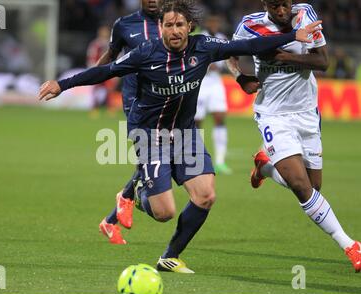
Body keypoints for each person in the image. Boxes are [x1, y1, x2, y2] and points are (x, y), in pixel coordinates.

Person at [39, 0, 321, 273]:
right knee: (164, 213)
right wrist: (62, 85)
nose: (175, 30)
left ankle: (170, 257)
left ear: (190, 27)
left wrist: (293, 36)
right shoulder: (145, 53)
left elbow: (247, 45)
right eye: (169, 25)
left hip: (186, 135)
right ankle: (139, 194)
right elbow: (106, 71)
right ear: (160, 27)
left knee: (206, 195)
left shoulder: (204, 48)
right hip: (151, 137)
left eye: (180, 25)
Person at [228, 0, 361, 272]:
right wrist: (240, 77)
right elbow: (229, 53)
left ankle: (264, 167)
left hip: (307, 113)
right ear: (265, 3)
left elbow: (322, 61)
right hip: (273, 115)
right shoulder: (250, 25)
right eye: (275, 5)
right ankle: (350, 245)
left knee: (314, 187)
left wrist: (284, 57)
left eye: (285, 4)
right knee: (302, 188)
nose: (281, 11)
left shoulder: (305, 15)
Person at [95, 0, 163, 245]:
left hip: (167, 100)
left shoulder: (173, 23)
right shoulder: (124, 25)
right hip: (136, 101)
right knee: (151, 158)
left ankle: (113, 217)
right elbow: (112, 55)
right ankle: (126, 199)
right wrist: (92, 76)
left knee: (162, 159)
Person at [195, 13, 232, 175]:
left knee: (219, 118)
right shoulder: (199, 38)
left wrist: (221, 66)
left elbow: (227, 58)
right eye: (212, 21)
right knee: (197, 121)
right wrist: (207, 65)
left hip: (216, 83)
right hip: (201, 84)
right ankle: (197, 158)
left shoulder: (222, 37)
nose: (215, 24)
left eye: (217, 21)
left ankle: (220, 161)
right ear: (207, 22)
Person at [86, 25, 116, 116]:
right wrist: (92, 68)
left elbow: (116, 56)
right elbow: (91, 57)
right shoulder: (95, 44)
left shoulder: (111, 44)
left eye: (106, 32)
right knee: (96, 89)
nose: (104, 34)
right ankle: (94, 108)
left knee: (109, 89)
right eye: (103, 32)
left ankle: (110, 108)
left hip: (108, 70)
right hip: (97, 70)